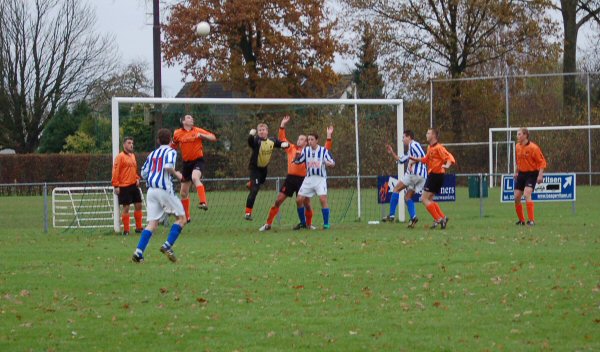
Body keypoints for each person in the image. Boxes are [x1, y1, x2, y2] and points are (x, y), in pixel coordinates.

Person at [258, 116, 333, 231]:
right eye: (299, 139)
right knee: (278, 200)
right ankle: (268, 224)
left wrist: (329, 137)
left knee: (306, 203)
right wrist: (282, 125)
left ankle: (308, 224)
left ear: (307, 142)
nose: (299, 140)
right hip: (290, 179)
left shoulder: (309, 151)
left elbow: (325, 150)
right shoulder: (291, 148)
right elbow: (282, 139)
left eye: (302, 139)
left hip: (304, 179)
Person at [132, 129, 186, 263]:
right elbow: (168, 166)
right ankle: (167, 246)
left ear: (158, 140)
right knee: (182, 218)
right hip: (164, 189)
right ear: (171, 140)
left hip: (151, 191)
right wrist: (177, 174)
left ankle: (138, 252)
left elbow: (144, 173)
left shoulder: (152, 154)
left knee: (152, 223)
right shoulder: (171, 151)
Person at [170, 115, 217, 223]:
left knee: (195, 177)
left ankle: (203, 202)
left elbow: (213, 137)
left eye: (192, 118)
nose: (192, 119)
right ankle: (187, 217)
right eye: (189, 118)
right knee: (183, 193)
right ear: (183, 121)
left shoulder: (197, 130)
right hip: (186, 163)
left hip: (198, 161)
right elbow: (173, 147)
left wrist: (201, 136)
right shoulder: (177, 133)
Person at [410, 128, 455, 229]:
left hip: (436, 176)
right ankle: (443, 217)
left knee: (423, 199)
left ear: (433, 136)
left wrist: (447, 165)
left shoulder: (439, 148)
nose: (426, 135)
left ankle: (438, 219)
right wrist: (415, 160)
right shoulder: (430, 147)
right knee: (429, 199)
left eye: (428, 133)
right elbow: (426, 159)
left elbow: (449, 158)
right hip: (435, 176)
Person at [383, 130, 427, 228]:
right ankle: (413, 217)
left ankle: (391, 215)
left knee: (396, 189)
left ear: (409, 137)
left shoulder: (414, 145)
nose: (402, 140)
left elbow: (424, 157)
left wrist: (412, 163)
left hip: (414, 174)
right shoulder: (410, 149)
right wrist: (392, 152)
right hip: (421, 177)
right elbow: (402, 160)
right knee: (407, 197)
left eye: (403, 137)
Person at [245, 123, 289, 220]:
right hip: (255, 168)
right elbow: (250, 142)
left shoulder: (271, 140)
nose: (261, 131)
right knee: (255, 190)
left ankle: (252, 183)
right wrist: (251, 135)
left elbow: (279, 143)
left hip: (264, 169)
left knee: (261, 182)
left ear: (267, 131)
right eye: (259, 130)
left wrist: (284, 145)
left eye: (263, 130)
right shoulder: (256, 140)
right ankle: (248, 213)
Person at [293, 132, 335, 229]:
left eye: (312, 139)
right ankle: (303, 223)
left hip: (320, 179)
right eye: (309, 140)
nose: (310, 142)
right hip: (309, 178)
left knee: (322, 199)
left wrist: (330, 164)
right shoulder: (305, 150)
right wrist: (297, 157)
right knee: (299, 200)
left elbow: (332, 163)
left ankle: (326, 224)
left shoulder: (323, 151)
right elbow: (298, 161)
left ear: (317, 140)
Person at [513, 127, 546, 226]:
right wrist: (516, 172)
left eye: (519, 134)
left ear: (525, 135)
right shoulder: (517, 146)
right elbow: (518, 161)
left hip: (532, 174)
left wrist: (540, 175)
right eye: (517, 134)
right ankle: (521, 220)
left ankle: (531, 220)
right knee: (516, 197)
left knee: (527, 194)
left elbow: (542, 162)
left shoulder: (533, 148)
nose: (517, 136)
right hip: (521, 174)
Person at [111, 136, 143, 236]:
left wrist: (137, 178)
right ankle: (126, 230)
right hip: (124, 186)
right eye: (129, 143)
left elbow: (134, 169)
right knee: (126, 208)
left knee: (139, 205)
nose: (131, 145)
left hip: (134, 184)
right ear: (124, 145)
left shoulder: (132, 156)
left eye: (132, 143)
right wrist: (116, 185)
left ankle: (138, 227)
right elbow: (115, 171)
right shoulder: (120, 157)